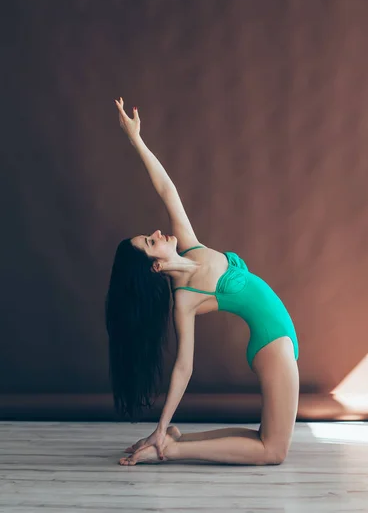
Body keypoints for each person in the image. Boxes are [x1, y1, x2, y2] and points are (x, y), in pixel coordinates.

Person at [106, 98, 299, 467]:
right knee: (274, 451)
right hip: (272, 342)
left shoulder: (191, 247)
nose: (158, 232)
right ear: (155, 267)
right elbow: (184, 367)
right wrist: (161, 426)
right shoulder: (185, 300)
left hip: (279, 335)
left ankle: (175, 440)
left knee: (266, 438)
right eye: (150, 242)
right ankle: (169, 448)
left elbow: (166, 189)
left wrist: (136, 141)